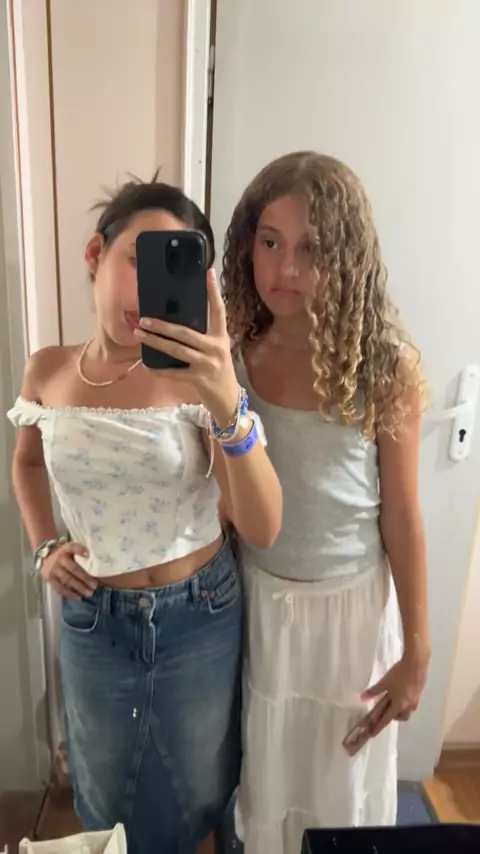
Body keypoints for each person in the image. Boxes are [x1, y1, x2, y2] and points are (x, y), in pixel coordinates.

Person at [7, 175, 282, 854]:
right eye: (138, 258)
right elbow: (27, 464)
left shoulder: (200, 377)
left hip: (198, 615)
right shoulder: (47, 371)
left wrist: (225, 402)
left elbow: (262, 525)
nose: (147, 288)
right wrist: (43, 547)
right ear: (94, 254)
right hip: (94, 621)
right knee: (106, 795)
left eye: (172, 267)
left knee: (204, 789)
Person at [222, 152, 430, 854]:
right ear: (247, 243)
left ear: (345, 256)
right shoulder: (235, 360)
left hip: (351, 614)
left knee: (341, 782)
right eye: (270, 242)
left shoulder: (384, 367)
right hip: (262, 604)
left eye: (310, 248)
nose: (285, 268)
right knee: (270, 777)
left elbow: (401, 515)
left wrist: (418, 651)